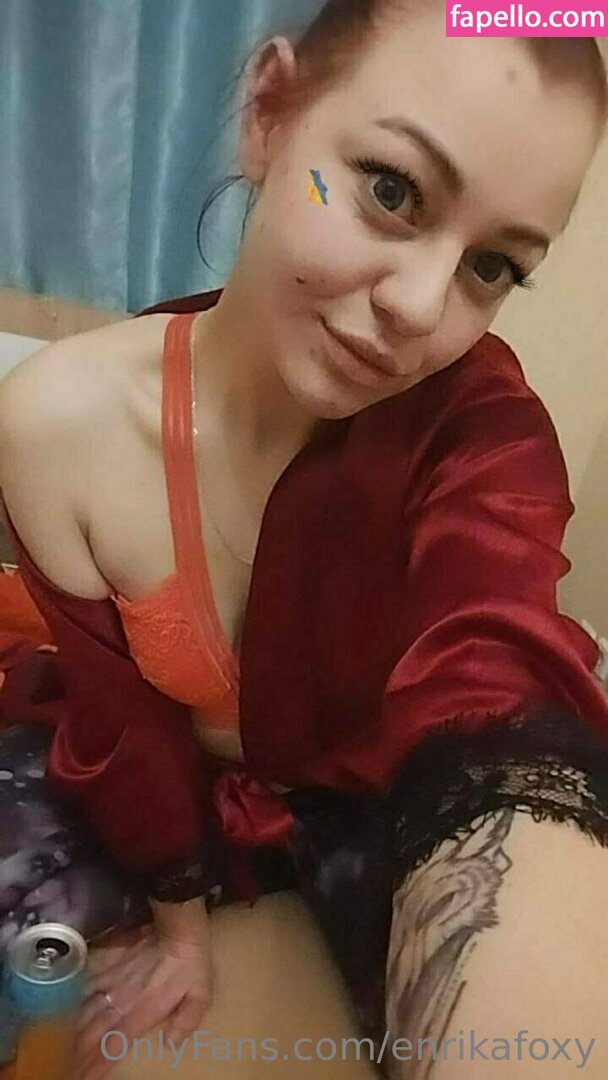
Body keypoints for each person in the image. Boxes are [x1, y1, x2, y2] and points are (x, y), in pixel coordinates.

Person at [1, 1, 608, 1076]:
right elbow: (121, 729)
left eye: (492, 266)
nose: (420, 305)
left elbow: (495, 687)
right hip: (163, 814)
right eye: (392, 191)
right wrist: (181, 927)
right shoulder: (60, 424)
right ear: (269, 112)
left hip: (361, 816)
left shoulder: (478, 436)